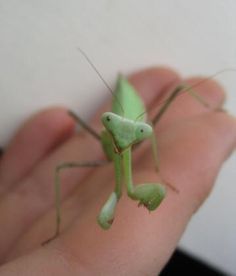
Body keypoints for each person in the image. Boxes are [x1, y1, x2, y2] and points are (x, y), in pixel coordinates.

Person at [0, 68, 235, 275]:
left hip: (131, 113)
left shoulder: (141, 134)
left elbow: (149, 138)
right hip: (121, 114)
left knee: (178, 91)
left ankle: (204, 111)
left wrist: (157, 170)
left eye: (141, 132)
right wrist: (58, 229)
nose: (123, 143)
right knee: (62, 167)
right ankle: (58, 227)